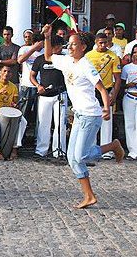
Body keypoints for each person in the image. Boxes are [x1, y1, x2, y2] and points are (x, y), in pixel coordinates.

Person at [41, 24, 124, 209]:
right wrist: (47, 37)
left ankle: (112, 147)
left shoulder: (87, 65)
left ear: (83, 47)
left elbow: (101, 88)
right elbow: (48, 56)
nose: (69, 47)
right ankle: (89, 196)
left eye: (73, 45)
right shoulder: (66, 61)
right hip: (79, 115)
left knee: (79, 157)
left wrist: (106, 108)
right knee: (73, 158)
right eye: (69, 44)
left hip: (91, 115)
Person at [85, 31, 122, 154]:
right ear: (96, 43)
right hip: (92, 90)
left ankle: (107, 150)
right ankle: (91, 148)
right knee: (92, 119)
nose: (103, 45)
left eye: (105, 43)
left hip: (106, 89)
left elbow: (117, 78)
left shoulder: (113, 56)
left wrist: (114, 94)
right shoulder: (88, 56)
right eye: (100, 43)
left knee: (107, 121)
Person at [31, 37, 67, 159]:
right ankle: (41, 150)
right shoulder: (40, 59)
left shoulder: (63, 59)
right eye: (57, 47)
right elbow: (32, 76)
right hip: (44, 95)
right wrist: (37, 85)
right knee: (43, 123)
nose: (59, 49)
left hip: (60, 94)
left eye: (60, 46)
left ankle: (59, 150)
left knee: (60, 123)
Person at [0, 65, 27, 160]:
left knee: (23, 121)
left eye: (8, 72)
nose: (6, 73)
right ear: (0, 72)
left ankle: (15, 148)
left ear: (11, 74)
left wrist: (14, 105)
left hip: (8, 112)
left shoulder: (13, 87)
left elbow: (15, 103)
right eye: (4, 71)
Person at [16, 30, 43, 123]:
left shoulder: (45, 52)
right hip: (26, 85)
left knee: (39, 113)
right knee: (24, 111)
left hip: (40, 86)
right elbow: (20, 60)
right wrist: (33, 49)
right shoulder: (24, 49)